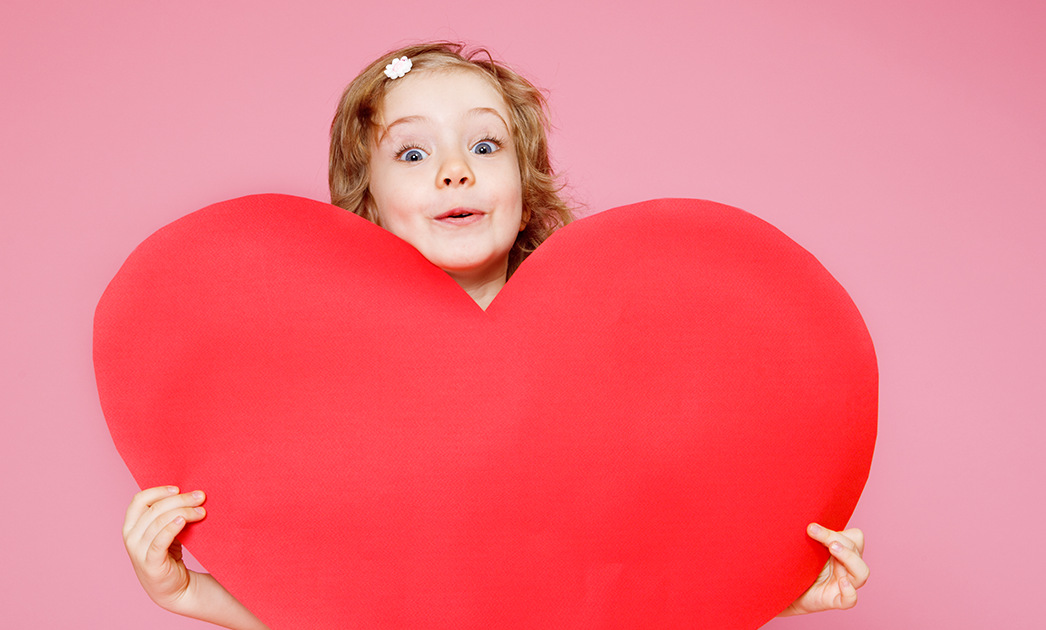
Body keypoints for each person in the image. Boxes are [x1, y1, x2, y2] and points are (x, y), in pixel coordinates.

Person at [120, 41, 870, 629]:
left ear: (526, 181)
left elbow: (637, 576)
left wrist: (779, 585)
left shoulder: (612, 355)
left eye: (485, 146)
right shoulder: (327, 395)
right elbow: (341, 604)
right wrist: (191, 594)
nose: (454, 171)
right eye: (413, 154)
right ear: (368, 201)